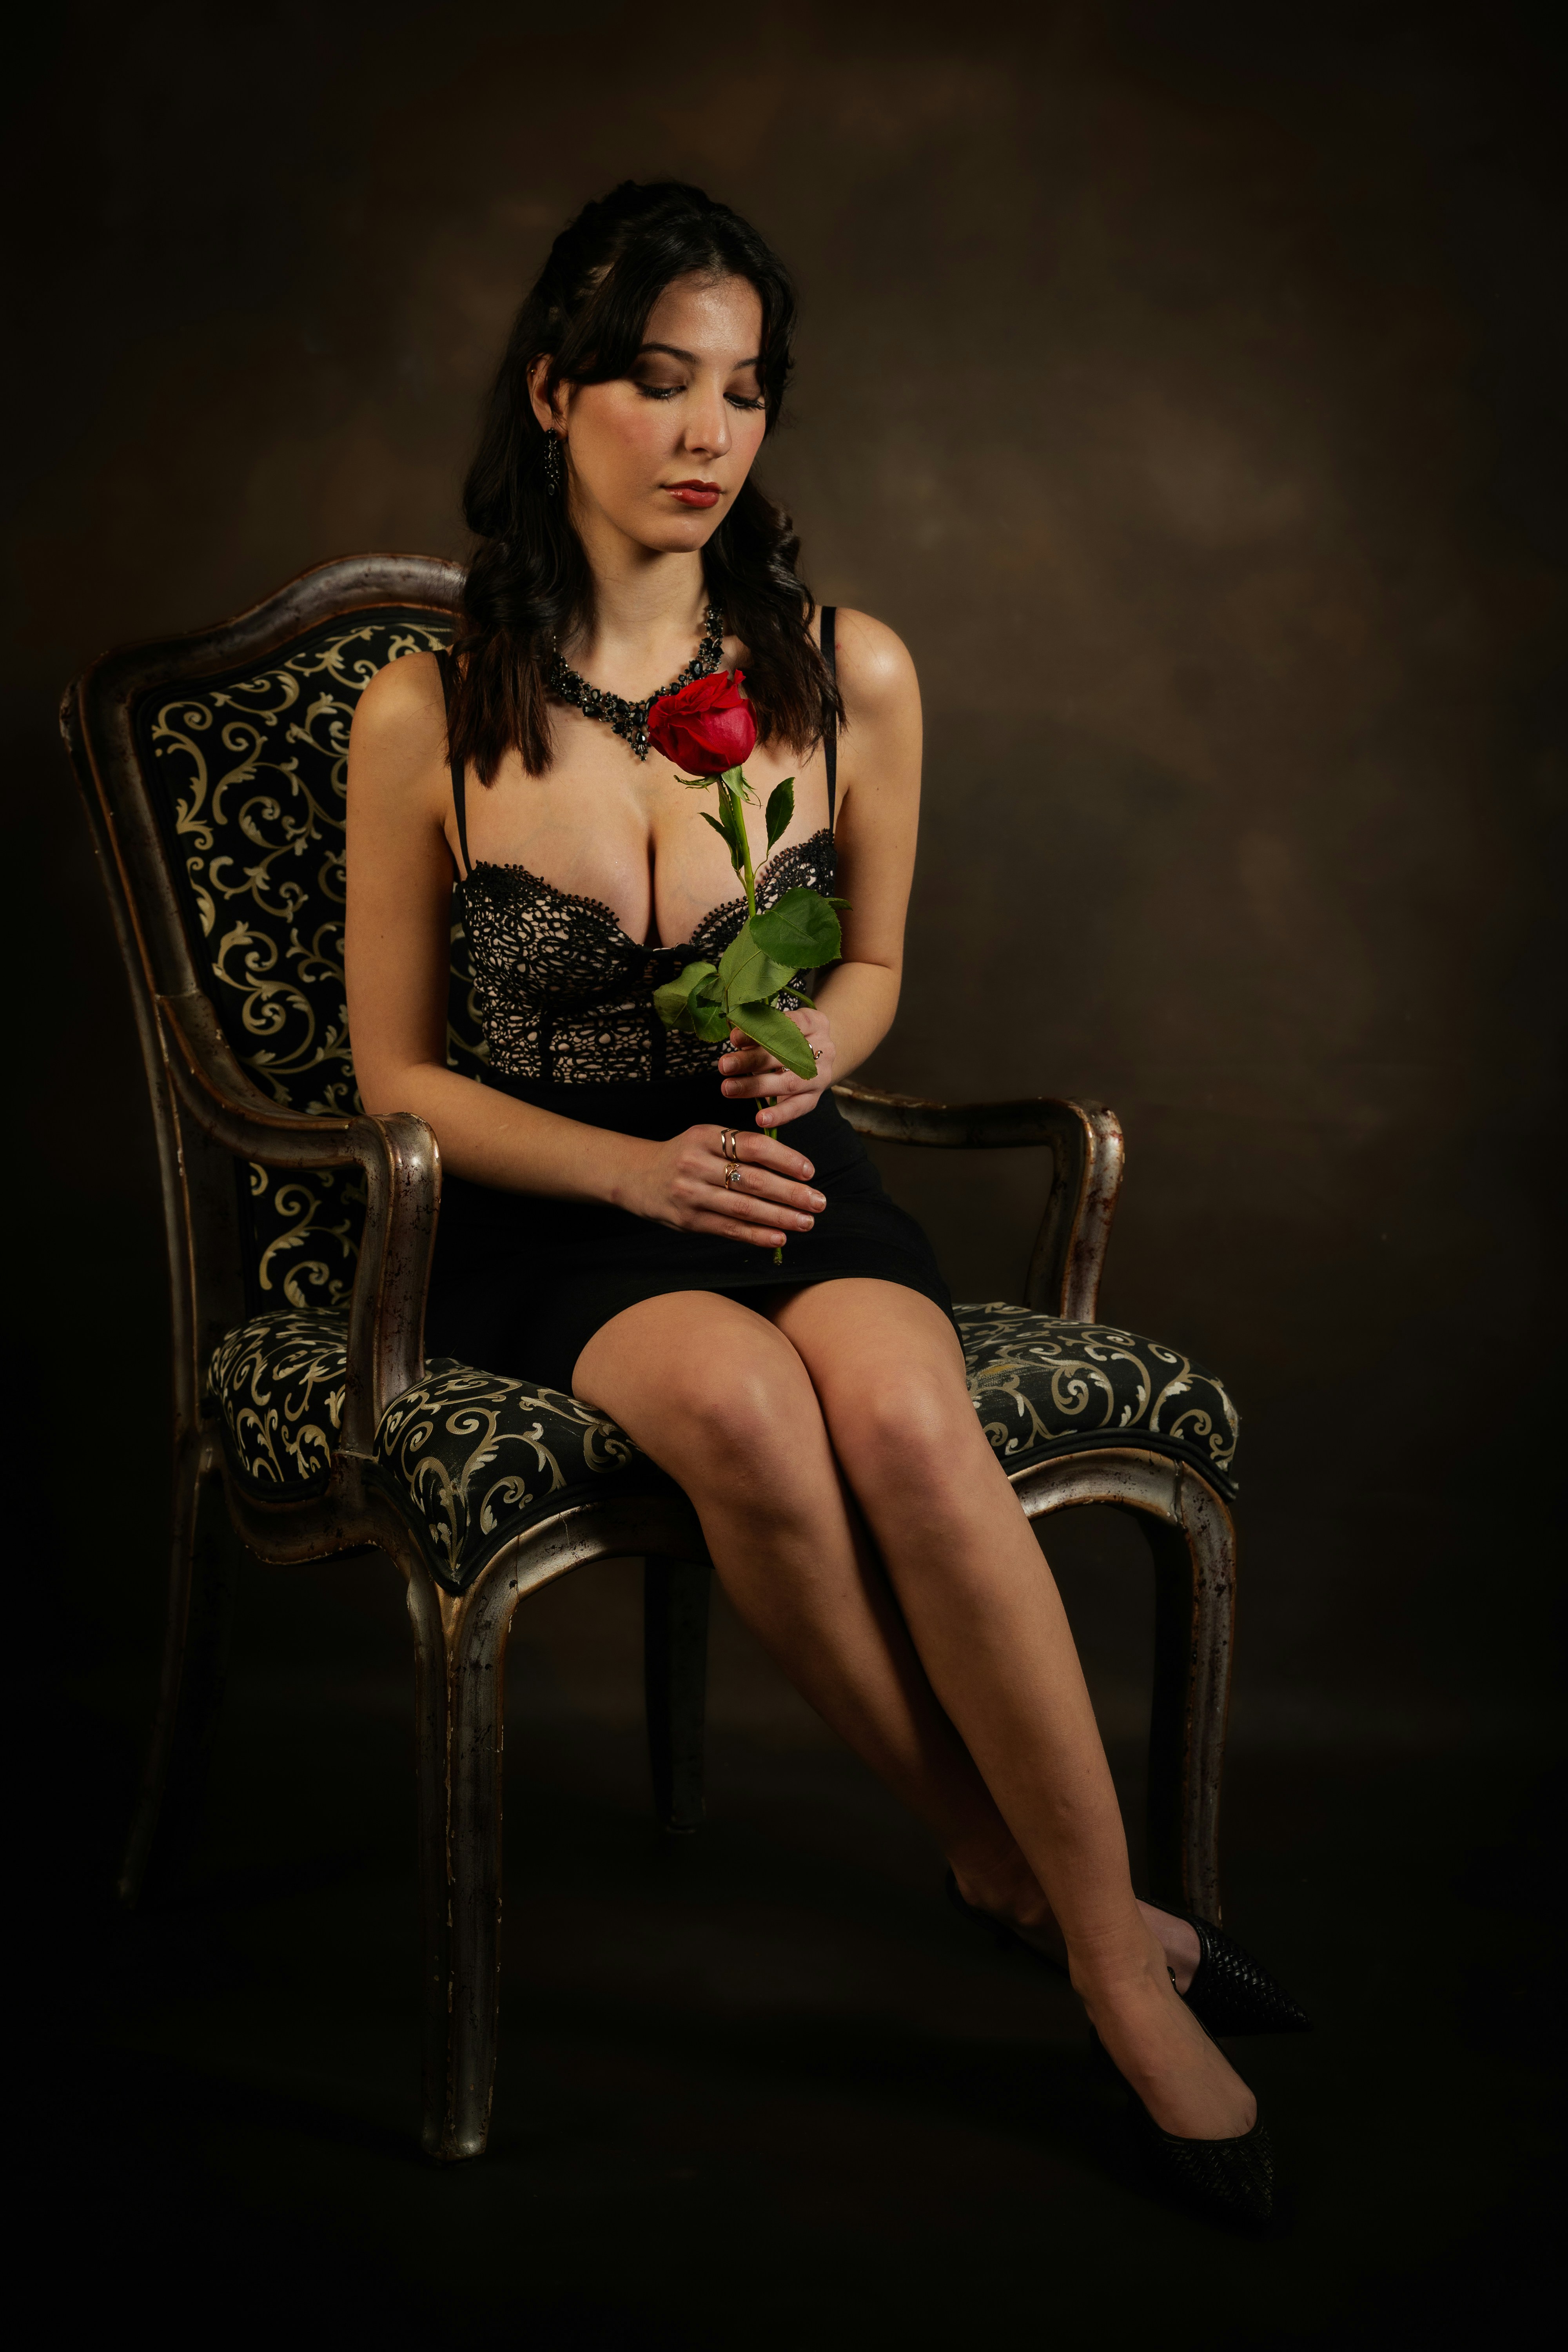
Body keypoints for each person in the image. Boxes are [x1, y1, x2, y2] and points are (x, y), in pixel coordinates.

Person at [345, 180, 1293, 2226]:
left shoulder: (847, 668)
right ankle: (1051, 1895)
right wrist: (624, 1157)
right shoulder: (428, 706)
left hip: (789, 1176)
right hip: (555, 1217)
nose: (706, 432)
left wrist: (826, 1051)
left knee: (901, 1412)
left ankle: (1103, 1951)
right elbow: (392, 1076)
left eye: (745, 391)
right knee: (755, 1418)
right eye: (660, 380)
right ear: (555, 391)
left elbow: (865, 966)